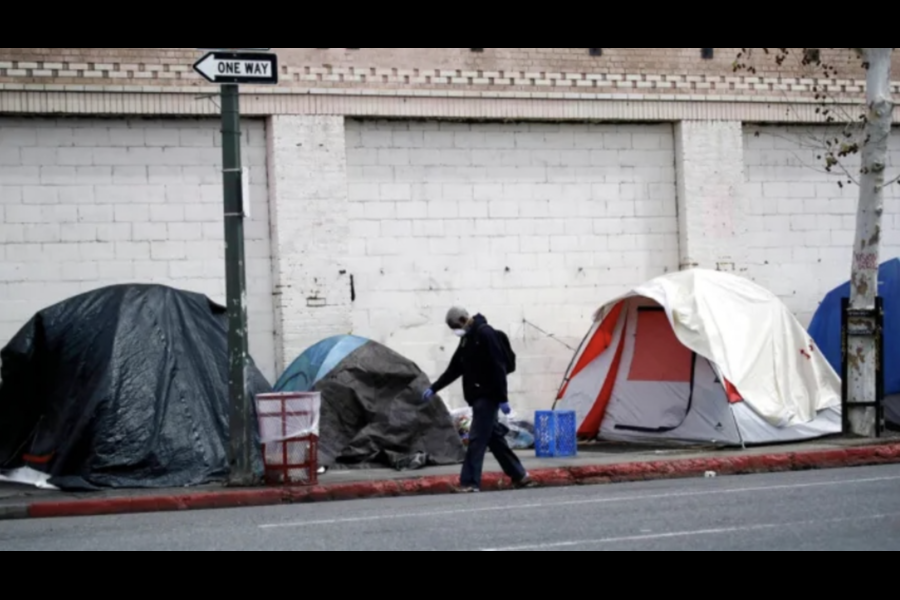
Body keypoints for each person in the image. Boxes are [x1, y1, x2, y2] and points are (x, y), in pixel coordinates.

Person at [422, 307, 535, 493]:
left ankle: (469, 482)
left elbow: (498, 366)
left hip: (488, 396)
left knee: (476, 439)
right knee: (494, 439)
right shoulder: (467, 339)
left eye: (454, 326)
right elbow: (455, 368)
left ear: (463, 319)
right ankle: (520, 476)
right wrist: (434, 388)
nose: (455, 331)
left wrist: (502, 398)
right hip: (478, 397)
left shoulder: (485, 334)